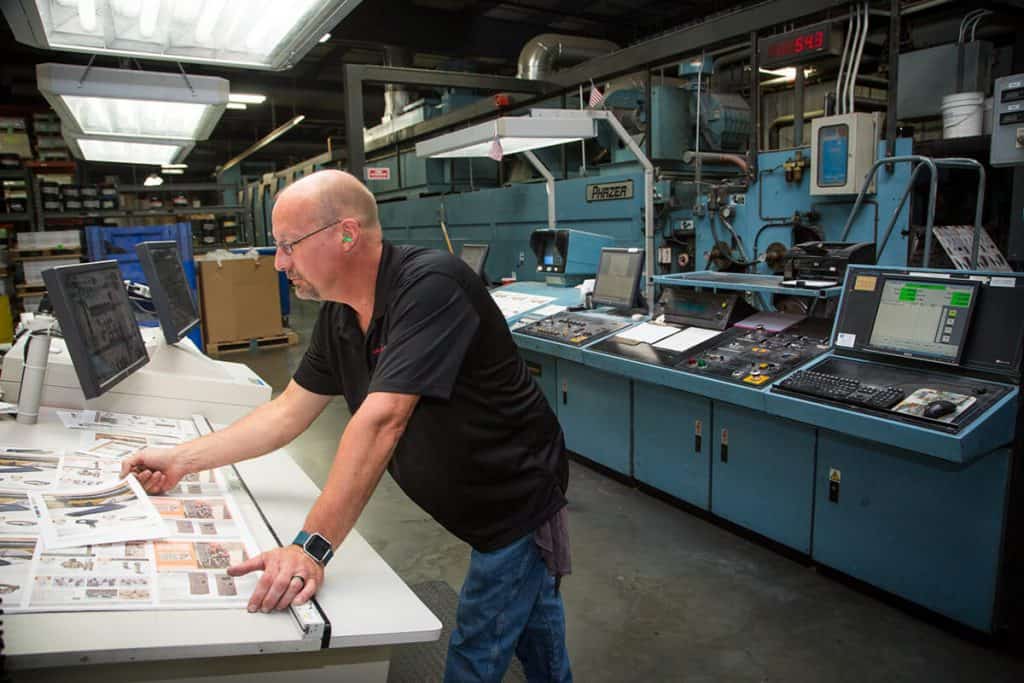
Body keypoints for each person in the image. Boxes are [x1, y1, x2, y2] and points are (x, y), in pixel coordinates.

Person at [122, 169, 573, 682]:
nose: (280, 263)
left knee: (477, 647)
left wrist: (310, 549)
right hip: (471, 503)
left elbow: (382, 421)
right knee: (535, 631)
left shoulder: (430, 286)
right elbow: (288, 411)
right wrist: (181, 459)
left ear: (346, 234)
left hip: (514, 501)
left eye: (289, 245)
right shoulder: (342, 315)